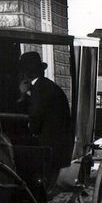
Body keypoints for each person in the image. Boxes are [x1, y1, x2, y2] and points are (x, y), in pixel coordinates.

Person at [16, 52, 73, 194]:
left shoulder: (40, 90)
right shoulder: (45, 86)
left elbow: (35, 119)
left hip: (50, 146)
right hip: (57, 142)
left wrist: (22, 95)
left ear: (25, 74)